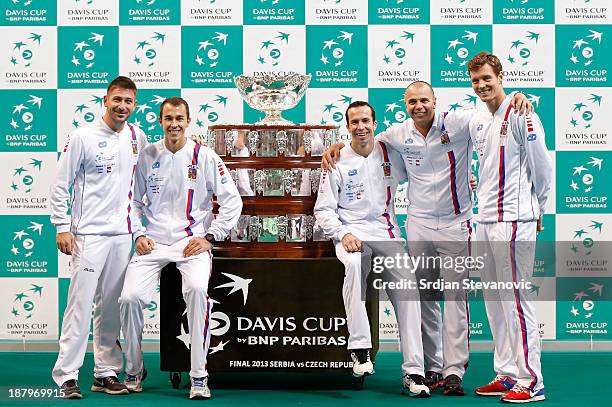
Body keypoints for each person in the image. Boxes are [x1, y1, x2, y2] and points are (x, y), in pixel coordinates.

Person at [322, 83, 532, 396]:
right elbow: (364, 145)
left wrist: (512, 99)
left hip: (455, 223)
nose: (418, 106)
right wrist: (337, 147)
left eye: (424, 100)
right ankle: (431, 367)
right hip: (418, 225)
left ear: (435, 101)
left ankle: (453, 371)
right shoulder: (397, 134)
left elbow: (489, 118)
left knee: (455, 299)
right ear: (405, 105)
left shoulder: (457, 122)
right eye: (412, 102)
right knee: (427, 299)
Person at [118, 97, 242, 400]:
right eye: (168, 118)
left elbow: (232, 201)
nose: (174, 124)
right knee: (129, 298)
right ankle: (134, 368)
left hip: (192, 243)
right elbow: (133, 203)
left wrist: (210, 237)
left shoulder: (205, 156)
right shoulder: (146, 156)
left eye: (180, 119)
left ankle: (199, 374)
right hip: (155, 242)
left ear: (188, 121)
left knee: (198, 291)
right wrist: (138, 235)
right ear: (160, 121)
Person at [314, 101, 431, 397]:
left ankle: (414, 371)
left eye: (365, 120)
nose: (360, 127)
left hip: (387, 233)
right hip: (351, 233)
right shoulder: (336, 160)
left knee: (408, 291)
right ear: (348, 126)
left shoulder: (391, 151)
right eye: (354, 122)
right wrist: (343, 233)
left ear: (375, 123)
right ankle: (360, 349)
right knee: (352, 265)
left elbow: (425, 168)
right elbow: (323, 210)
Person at [50, 76, 148, 398]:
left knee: (110, 308)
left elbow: (141, 187)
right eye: (117, 100)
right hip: (88, 235)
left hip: (122, 235)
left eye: (128, 102)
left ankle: (105, 372)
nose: (122, 106)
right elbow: (60, 183)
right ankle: (66, 374)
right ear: (105, 100)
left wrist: (139, 229)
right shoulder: (83, 136)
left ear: (135, 105)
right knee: (79, 305)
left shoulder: (137, 136)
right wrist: (62, 226)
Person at [467, 52, 551, 403]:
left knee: (516, 299)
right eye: (475, 81)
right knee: (494, 301)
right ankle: (506, 372)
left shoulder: (522, 112)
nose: (482, 85)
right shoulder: (476, 120)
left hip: (514, 219)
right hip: (485, 220)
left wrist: (539, 207)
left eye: (487, 78)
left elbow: (542, 167)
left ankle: (531, 380)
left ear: (501, 76)